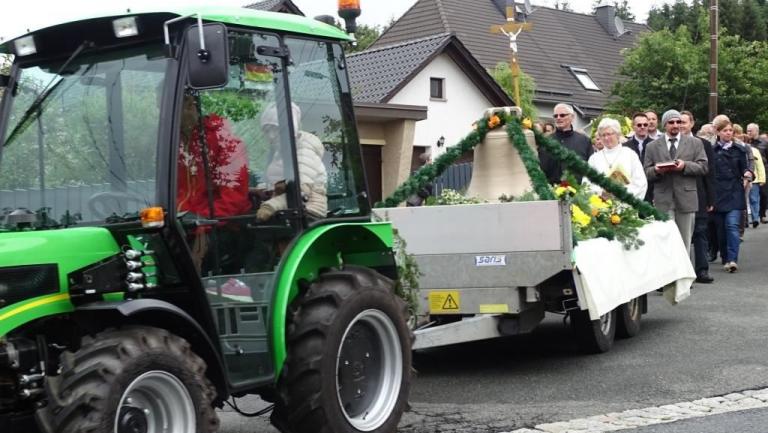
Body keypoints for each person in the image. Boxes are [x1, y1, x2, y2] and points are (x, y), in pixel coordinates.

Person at [177, 92, 252, 272]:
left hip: (221, 228)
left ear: (190, 106)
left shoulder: (226, 143)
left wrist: (199, 220)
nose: (162, 115)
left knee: (184, 262)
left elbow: (233, 199)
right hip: (182, 226)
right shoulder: (173, 145)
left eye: (168, 109)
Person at [643, 109, 708, 256]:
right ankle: (668, 270)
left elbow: (704, 167)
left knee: (685, 241)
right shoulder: (652, 146)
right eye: (671, 122)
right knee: (665, 241)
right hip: (663, 198)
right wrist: (657, 170)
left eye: (678, 121)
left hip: (686, 198)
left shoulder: (694, 143)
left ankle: (685, 270)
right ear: (664, 125)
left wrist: (685, 166)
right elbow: (646, 172)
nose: (676, 125)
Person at [256, 103, 328, 221]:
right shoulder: (280, 152)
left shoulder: (304, 150)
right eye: (267, 131)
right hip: (286, 208)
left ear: (290, 129)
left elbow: (299, 192)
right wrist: (262, 189)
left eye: (275, 129)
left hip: (307, 211)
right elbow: (278, 182)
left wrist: (269, 206)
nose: (271, 135)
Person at [711, 117, 750, 273]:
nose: (728, 133)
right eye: (725, 130)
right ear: (718, 132)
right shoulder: (712, 151)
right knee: (721, 230)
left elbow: (746, 168)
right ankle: (726, 257)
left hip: (734, 192)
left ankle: (733, 259)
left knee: (732, 226)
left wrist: (748, 173)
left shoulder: (739, 150)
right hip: (718, 194)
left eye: (730, 130)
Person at [680, 111, 715, 284]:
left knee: (700, 232)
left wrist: (711, 198)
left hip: (699, 195)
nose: (681, 125)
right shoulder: (670, 145)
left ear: (692, 124)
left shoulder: (704, 144)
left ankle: (702, 270)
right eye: (678, 122)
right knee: (681, 235)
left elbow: (710, 173)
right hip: (678, 197)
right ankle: (683, 273)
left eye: (684, 122)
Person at [586, 118, 647, 200]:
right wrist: (601, 192)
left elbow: (641, 183)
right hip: (600, 204)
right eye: (603, 135)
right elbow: (587, 184)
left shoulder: (630, 154)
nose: (606, 138)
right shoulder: (594, 158)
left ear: (618, 135)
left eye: (609, 134)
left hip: (626, 203)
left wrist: (621, 193)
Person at [539, 103, 593, 183]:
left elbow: (590, 168)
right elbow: (541, 169)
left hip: (578, 189)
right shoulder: (546, 142)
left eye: (562, 115)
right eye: (555, 116)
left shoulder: (584, 141)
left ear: (572, 117)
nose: (558, 118)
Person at [624, 112, 654, 202]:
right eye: (639, 125)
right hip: (632, 192)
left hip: (651, 192)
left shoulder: (656, 145)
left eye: (645, 124)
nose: (642, 127)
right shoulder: (624, 147)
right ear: (633, 126)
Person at [746, 123, 768, 223]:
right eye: (747, 130)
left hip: (763, 171)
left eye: (750, 130)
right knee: (752, 196)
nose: (748, 132)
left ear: (756, 131)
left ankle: (762, 214)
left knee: (763, 194)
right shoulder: (746, 143)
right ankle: (754, 216)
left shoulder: (764, 143)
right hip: (751, 171)